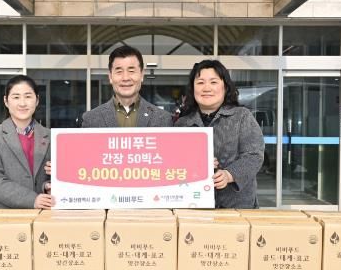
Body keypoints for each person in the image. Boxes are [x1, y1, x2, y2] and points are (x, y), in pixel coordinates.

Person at [175, 60, 265, 208]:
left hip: (237, 207)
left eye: (213, 82)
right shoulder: (182, 124)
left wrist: (229, 174)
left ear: (225, 87)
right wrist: (195, 165)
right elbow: (173, 161)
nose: (206, 88)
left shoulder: (242, 116)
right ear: (192, 88)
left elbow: (254, 155)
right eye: (200, 82)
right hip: (193, 205)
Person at [0, 75, 54, 209]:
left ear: (37, 100)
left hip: (43, 214)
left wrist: (49, 185)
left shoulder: (51, 136)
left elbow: (51, 179)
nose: (22, 103)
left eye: (28, 96)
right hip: (5, 215)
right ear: (6, 101)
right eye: (16, 97)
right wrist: (32, 199)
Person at [82, 45, 173, 128]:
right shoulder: (91, 119)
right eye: (119, 71)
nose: (125, 78)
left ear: (142, 75)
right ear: (110, 77)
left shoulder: (162, 118)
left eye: (131, 71)